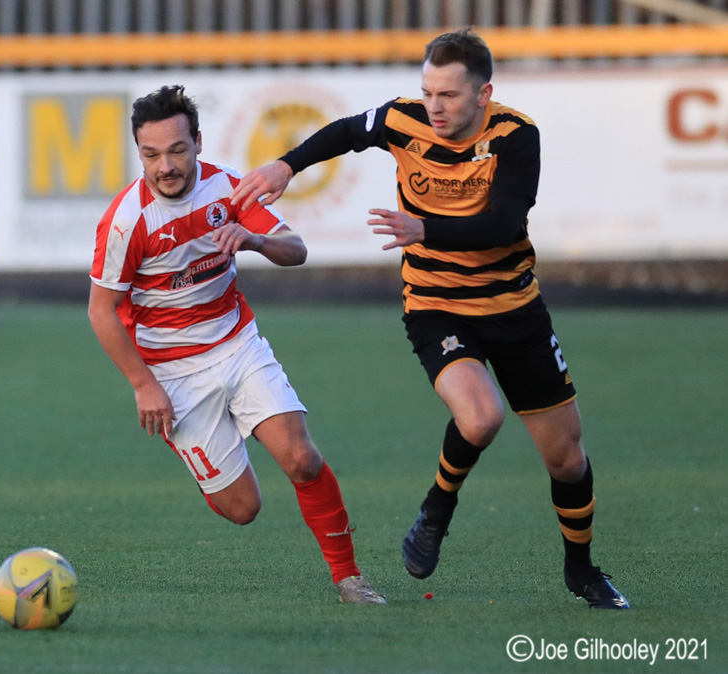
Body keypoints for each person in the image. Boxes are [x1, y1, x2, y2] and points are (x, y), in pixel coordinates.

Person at [231, 29, 629, 609]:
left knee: (566, 458)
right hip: (437, 305)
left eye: (448, 95)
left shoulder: (515, 136)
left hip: (514, 309)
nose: (434, 107)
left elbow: (504, 224)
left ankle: (581, 569)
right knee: (481, 417)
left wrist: (424, 228)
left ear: (483, 94)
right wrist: (287, 165)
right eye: (427, 92)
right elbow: (347, 132)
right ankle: (437, 509)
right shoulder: (404, 118)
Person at [88, 85, 384, 605]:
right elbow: (100, 311)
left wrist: (255, 240)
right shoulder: (126, 221)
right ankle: (206, 458)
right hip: (172, 374)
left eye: (177, 150)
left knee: (301, 458)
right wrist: (143, 385)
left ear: (198, 142)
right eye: (151, 155)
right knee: (242, 508)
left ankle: (349, 578)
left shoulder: (229, 189)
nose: (165, 167)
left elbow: (296, 249)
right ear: (139, 153)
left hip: (237, 343)